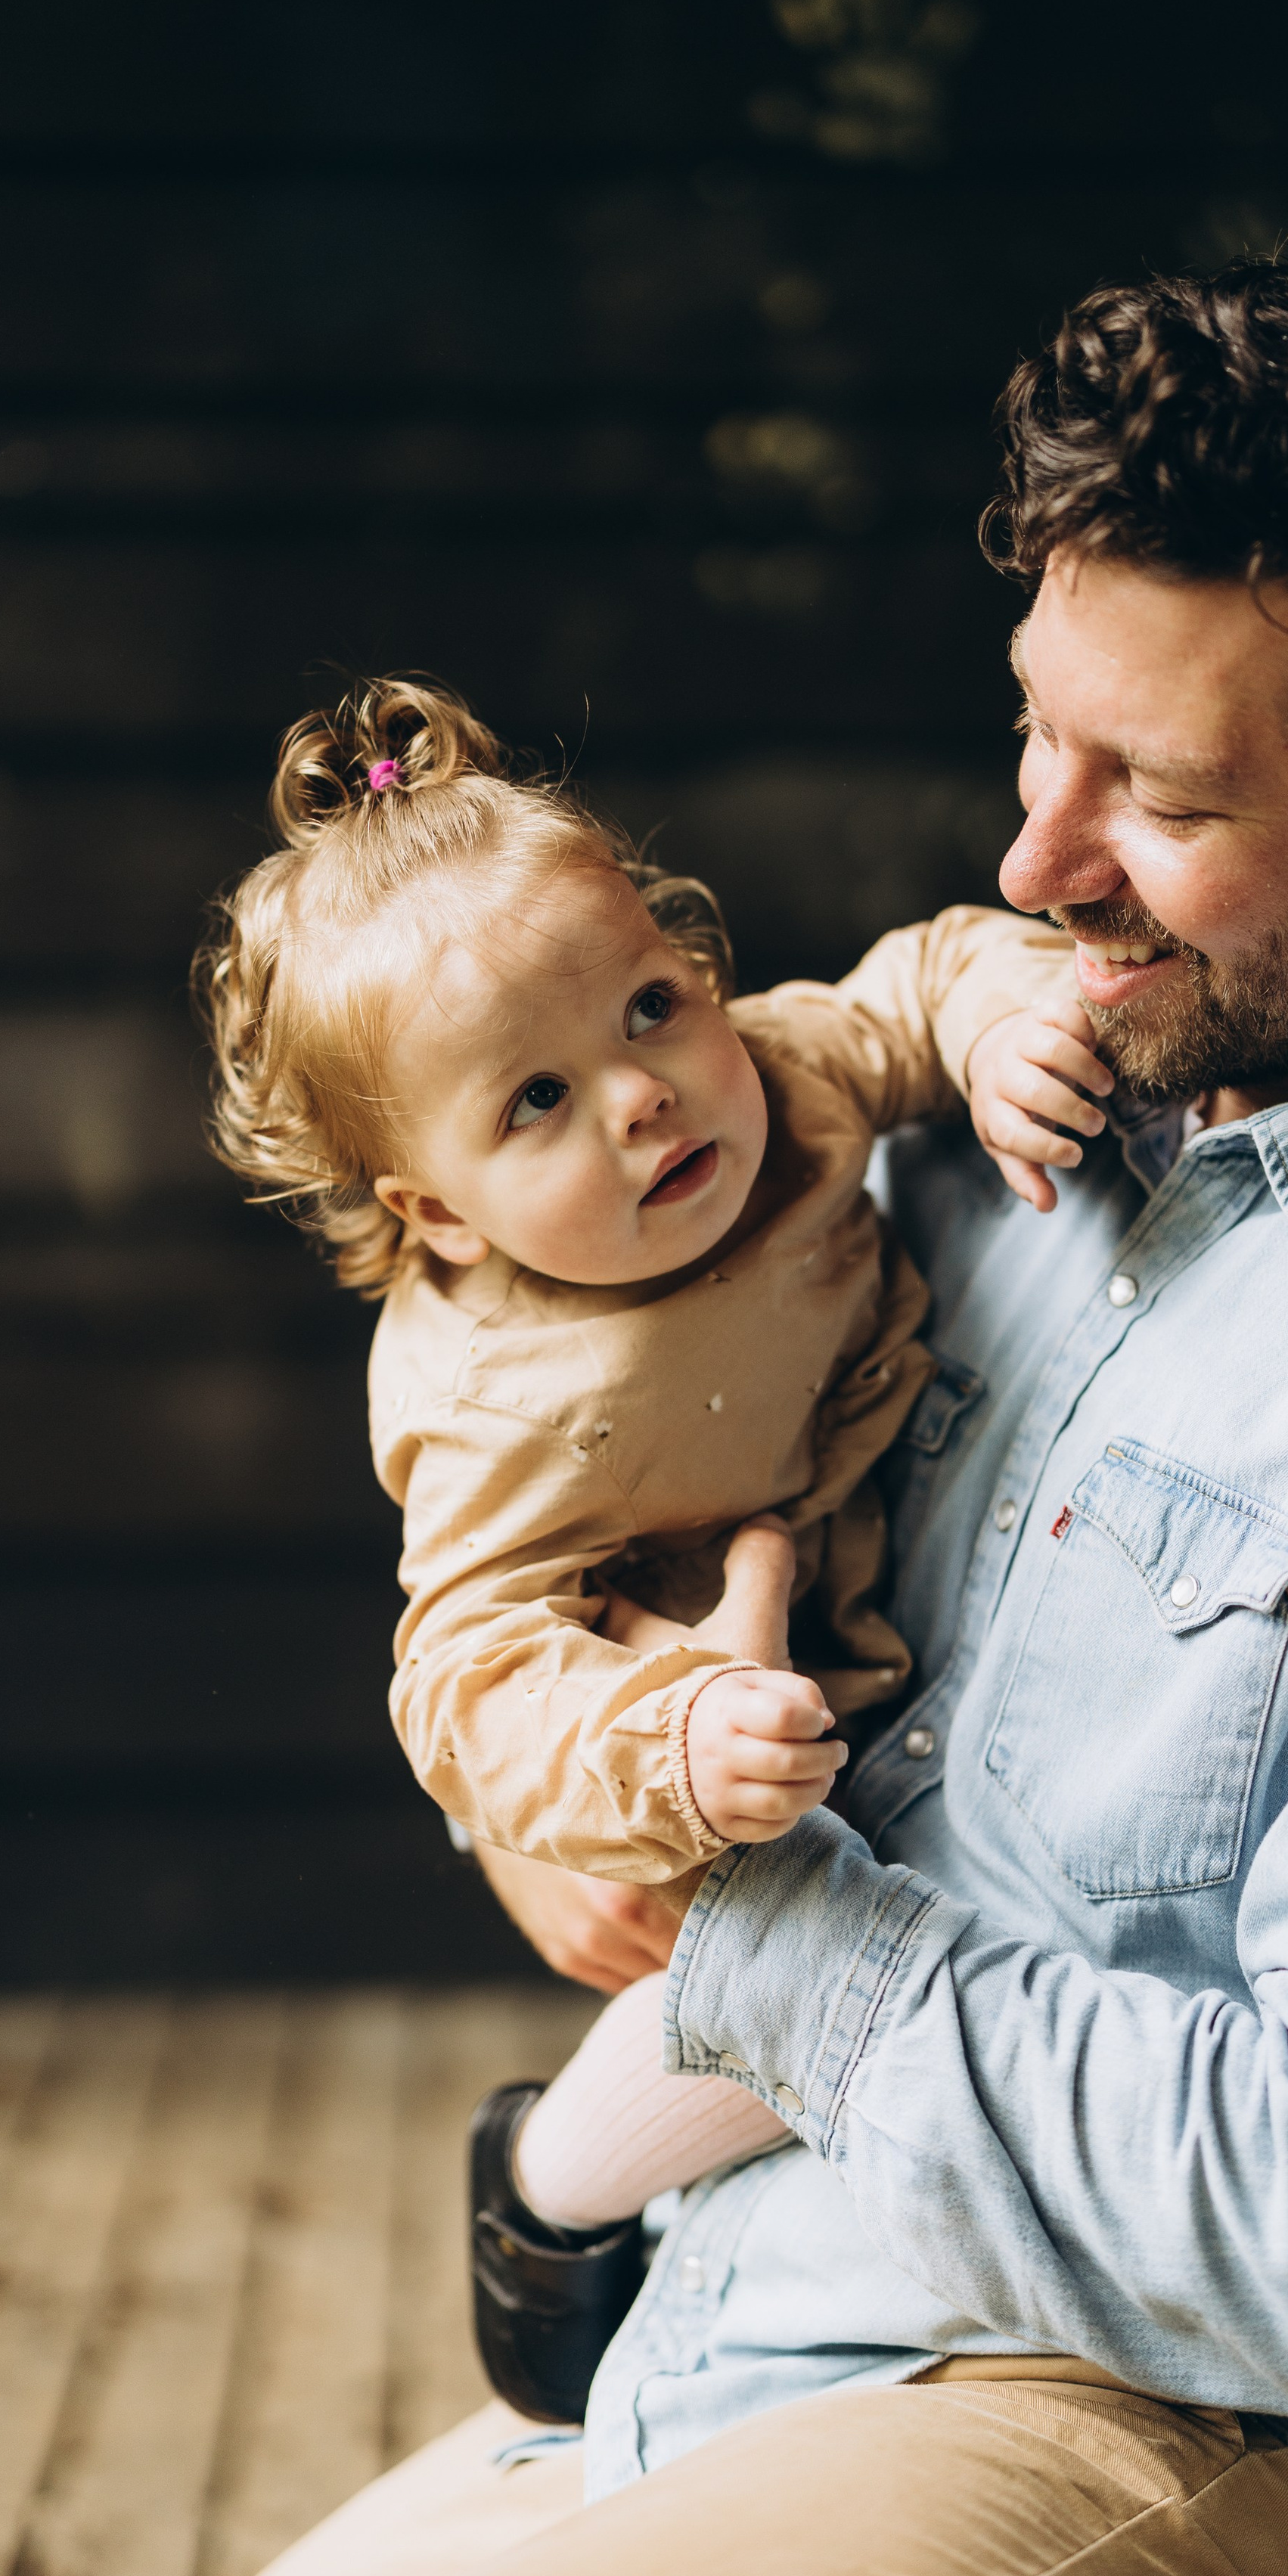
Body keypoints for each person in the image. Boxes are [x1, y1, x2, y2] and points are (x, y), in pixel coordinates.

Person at [63, 241, 1288, 2576]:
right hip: (734, 2312)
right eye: (1035, 737)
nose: (1039, 859)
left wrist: (755, 1935)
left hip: (1189, 2440)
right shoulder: (1003, 1096)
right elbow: (575, 1610)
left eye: (1161, 796)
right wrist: (566, 1792)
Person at [194, 684, 1088, 2400]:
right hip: (706, 1719)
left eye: (652, 1008)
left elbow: (909, 984)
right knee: (762, 1989)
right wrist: (657, 1735)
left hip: (866, 1580)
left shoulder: (780, 1087)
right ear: (434, 1212)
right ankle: (548, 2208)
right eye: (533, 1098)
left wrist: (995, 1024)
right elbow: (462, 1675)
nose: (643, 1097)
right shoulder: (499, 1402)